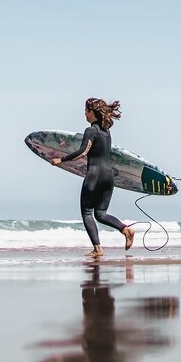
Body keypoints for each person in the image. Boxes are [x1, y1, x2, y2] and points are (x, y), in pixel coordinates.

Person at [51, 97, 134, 257]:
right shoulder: (106, 132)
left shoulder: (91, 131)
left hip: (94, 175)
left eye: (86, 111)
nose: (84, 114)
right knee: (101, 214)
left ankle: (97, 249)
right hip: (108, 177)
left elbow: (83, 151)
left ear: (92, 113)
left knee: (87, 213)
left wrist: (60, 160)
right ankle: (125, 229)